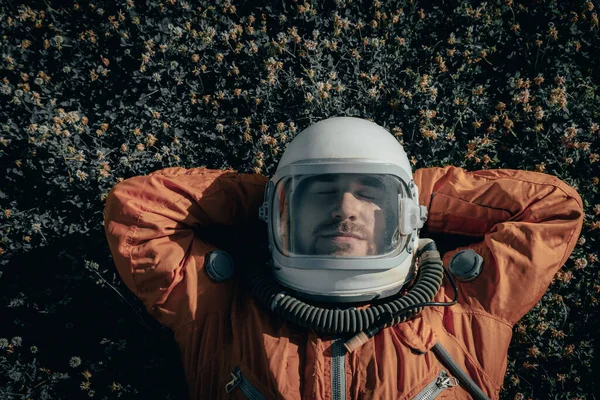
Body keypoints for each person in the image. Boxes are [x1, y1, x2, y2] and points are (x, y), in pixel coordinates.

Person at [104, 117, 583, 399]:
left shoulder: (471, 306)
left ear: (402, 209)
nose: (345, 209)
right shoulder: (215, 311)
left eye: (370, 194)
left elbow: (554, 209)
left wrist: (416, 196)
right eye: (322, 194)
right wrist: (271, 198)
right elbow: (136, 210)